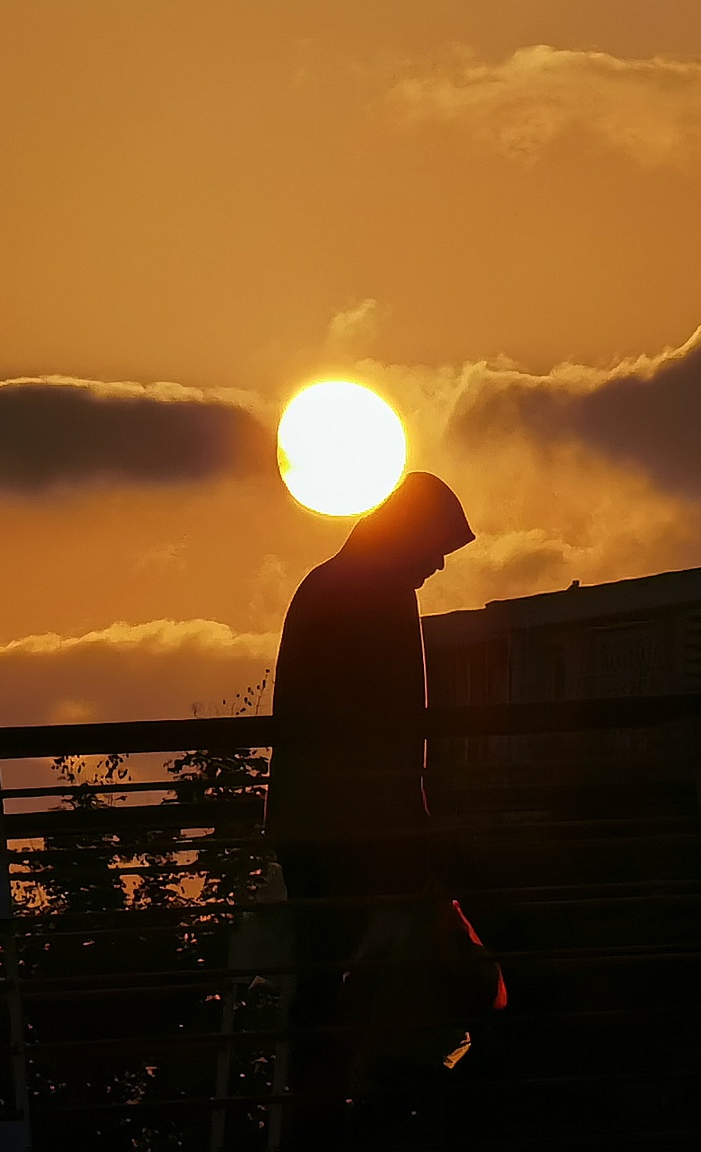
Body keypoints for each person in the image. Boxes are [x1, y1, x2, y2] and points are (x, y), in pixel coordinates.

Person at [265, 471, 477, 1146]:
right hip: (355, 831)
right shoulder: (376, 597)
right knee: (371, 990)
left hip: (313, 824)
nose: (440, 562)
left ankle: (317, 1119)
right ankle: (347, 1123)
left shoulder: (330, 585)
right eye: (439, 545)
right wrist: (413, 835)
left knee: (329, 983)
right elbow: (393, 733)